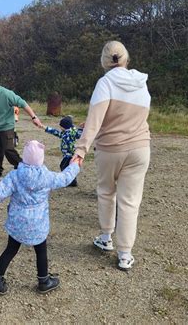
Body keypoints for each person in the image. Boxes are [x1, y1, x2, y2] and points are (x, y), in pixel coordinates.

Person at [72, 41, 151, 271]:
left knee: (107, 193)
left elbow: (95, 120)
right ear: (126, 58)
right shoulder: (141, 83)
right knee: (130, 202)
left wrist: (81, 150)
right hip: (139, 147)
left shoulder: (105, 83)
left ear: (104, 61)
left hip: (110, 149)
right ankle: (125, 254)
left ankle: (106, 237)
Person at [0, 140, 80, 295]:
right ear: (41, 159)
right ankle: (44, 281)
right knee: (41, 250)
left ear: (23, 158)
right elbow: (65, 178)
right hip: (38, 223)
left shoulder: (15, 176)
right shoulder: (47, 176)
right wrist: (75, 165)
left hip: (18, 222)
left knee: (10, 249)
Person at [42, 115, 83, 186]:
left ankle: (71, 181)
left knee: (64, 166)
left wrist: (82, 129)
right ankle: (71, 181)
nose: (59, 127)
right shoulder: (65, 133)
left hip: (70, 155)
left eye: (60, 126)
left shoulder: (72, 133)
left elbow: (79, 134)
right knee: (67, 167)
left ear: (64, 126)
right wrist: (45, 128)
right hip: (67, 155)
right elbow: (56, 132)